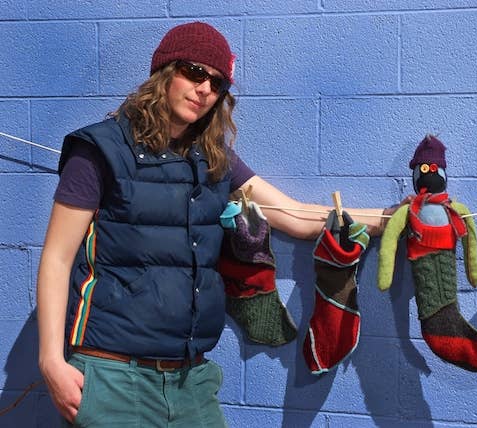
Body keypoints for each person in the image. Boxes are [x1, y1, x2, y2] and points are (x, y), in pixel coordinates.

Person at [37, 21, 404, 427]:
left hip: (190, 379)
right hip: (112, 377)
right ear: (164, 72)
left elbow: (295, 216)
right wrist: (51, 360)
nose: (204, 89)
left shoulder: (213, 159)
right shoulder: (99, 151)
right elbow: (57, 258)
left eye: (217, 83)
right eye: (194, 72)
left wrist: (395, 219)